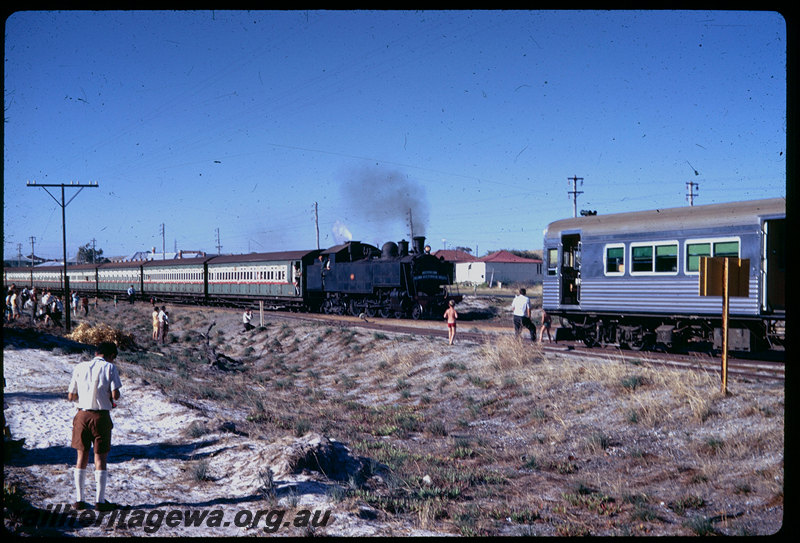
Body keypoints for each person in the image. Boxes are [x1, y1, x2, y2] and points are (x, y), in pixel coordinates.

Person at [67, 341, 123, 511]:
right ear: (111, 355)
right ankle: (100, 500)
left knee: (81, 457)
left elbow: (71, 396)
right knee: (100, 458)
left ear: (96, 353)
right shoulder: (110, 368)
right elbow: (116, 395)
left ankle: (79, 499)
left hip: (82, 415)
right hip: (101, 417)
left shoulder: (80, 367)